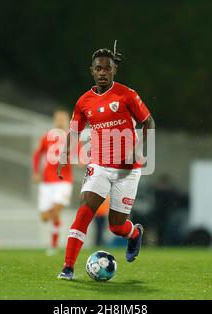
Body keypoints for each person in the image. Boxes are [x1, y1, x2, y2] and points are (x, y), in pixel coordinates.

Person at [56, 42, 156, 280]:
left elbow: (149, 122)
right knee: (84, 211)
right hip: (99, 165)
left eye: (107, 69)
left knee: (116, 226)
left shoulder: (127, 94)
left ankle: (134, 234)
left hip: (128, 170)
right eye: (98, 68)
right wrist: (63, 156)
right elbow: (74, 132)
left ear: (113, 71)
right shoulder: (83, 102)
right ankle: (68, 268)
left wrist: (137, 149)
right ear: (91, 70)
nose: (102, 72)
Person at [32, 109, 74, 256]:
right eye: (58, 119)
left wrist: (82, 160)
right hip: (47, 181)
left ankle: (54, 245)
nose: (60, 121)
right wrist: (36, 172)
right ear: (54, 120)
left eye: (63, 119)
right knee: (45, 218)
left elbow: (81, 156)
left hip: (64, 181)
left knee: (56, 212)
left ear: (68, 121)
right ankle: (55, 227)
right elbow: (37, 154)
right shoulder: (47, 137)